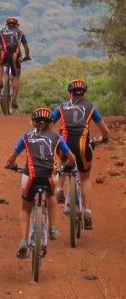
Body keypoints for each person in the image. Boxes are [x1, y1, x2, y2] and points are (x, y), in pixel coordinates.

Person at [5, 107, 75, 258]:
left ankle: (24, 240)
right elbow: (72, 157)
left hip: (30, 177)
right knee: (51, 196)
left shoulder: (26, 136)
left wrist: (12, 166)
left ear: (33, 123)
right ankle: (52, 228)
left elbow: (12, 159)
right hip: (50, 177)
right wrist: (66, 167)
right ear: (50, 124)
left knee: (25, 208)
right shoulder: (57, 137)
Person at [52, 79, 109, 230]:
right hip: (83, 145)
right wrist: (104, 138)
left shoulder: (62, 106)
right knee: (85, 178)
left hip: (65, 144)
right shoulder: (90, 107)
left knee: (62, 159)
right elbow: (105, 131)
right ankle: (88, 212)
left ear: (69, 94)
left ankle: (59, 189)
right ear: (85, 94)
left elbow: (49, 123)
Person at [0, 17, 31, 109]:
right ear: (17, 25)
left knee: (0, 64)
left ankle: (0, 81)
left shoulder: (2, 32)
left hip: (3, 54)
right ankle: (14, 99)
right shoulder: (21, 33)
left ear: (7, 24)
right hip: (15, 56)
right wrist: (27, 56)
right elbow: (26, 47)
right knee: (16, 77)